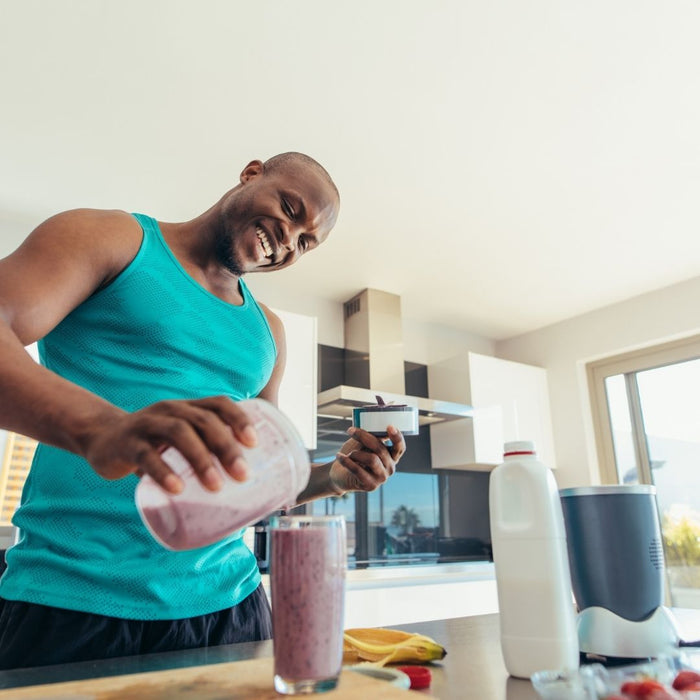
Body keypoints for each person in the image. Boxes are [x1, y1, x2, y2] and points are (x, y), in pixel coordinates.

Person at [0, 152, 406, 669]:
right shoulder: (114, 240)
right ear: (251, 172)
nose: (288, 239)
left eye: (305, 242)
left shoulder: (268, 334)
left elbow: (251, 481)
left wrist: (335, 478)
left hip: (230, 610)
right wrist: (103, 430)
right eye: (289, 207)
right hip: (72, 601)